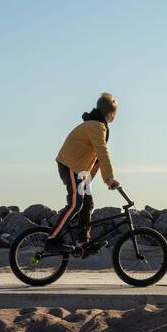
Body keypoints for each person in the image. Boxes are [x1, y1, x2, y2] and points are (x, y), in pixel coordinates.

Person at [45, 93, 120, 252]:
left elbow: (95, 158)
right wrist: (110, 178)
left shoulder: (95, 125)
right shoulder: (97, 126)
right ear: (111, 114)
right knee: (76, 203)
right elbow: (102, 153)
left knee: (87, 203)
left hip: (80, 171)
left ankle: (83, 242)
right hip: (70, 166)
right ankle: (52, 240)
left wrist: (90, 180)